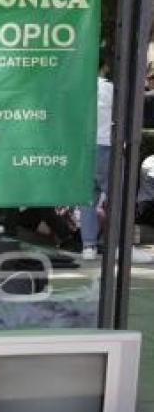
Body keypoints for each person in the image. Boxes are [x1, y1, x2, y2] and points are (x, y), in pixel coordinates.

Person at [80, 53, 113, 260]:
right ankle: (116, 244)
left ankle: (88, 246)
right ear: (105, 66)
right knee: (116, 197)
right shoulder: (109, 88)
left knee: (87, 197)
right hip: (106, 144)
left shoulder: (78, 87)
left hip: (83, 146)